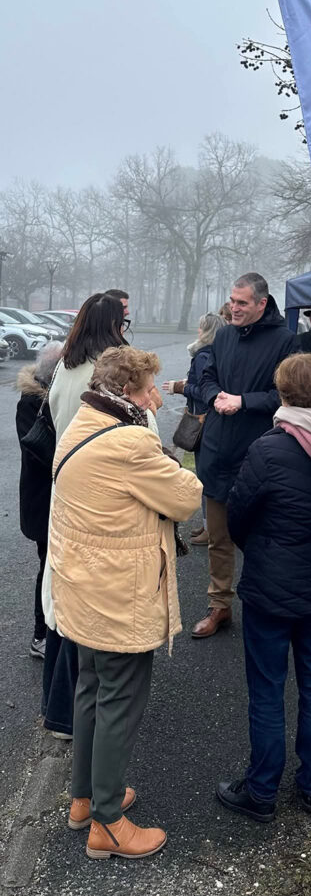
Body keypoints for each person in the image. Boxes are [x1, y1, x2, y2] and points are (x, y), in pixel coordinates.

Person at [50, 346, 202, 858]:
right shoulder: (132, 441)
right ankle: (108, 823)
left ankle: (86, 798)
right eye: (149, 388)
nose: (157, 395)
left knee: (91, 688)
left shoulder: (82, 421)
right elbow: (185, 497)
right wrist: (168, 449)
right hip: (121, 595)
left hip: (85, 588)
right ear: (128, 393)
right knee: (121, 699)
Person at [218, 353, 311, 821]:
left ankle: (261, 793)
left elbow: (237, 516)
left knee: (267, 691)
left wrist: (260, 551)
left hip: (271, 590)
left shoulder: (268, 448)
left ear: (283, 394)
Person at [41, 293, 130, 740]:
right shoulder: (105, 373)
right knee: (83, 607)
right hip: (97, 496)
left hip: (64, 484)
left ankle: (54, 709)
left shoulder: (64, 366)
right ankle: (66, 714)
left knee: (61, 595)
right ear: (111, 325)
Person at [191, 273, 297, 639]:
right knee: (218, 539)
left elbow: (286, 396)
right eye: (232, 301)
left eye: (242, 303)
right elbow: (205, 377)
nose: (233, 308)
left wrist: (244, 401)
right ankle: (219, 605)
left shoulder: (286, 342)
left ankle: (262, 607)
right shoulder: (222, 336)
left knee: (259, 540)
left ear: (261, 304)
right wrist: (215, 395)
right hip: (218, 452)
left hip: (260, 455)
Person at [15, 342, 64, 658]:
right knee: (48, 565)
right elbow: (39, 450)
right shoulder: (32, 403)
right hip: (41, 500)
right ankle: (40, 635)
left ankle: (55, 629)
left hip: (54, 498)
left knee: (56, 565)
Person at [163, 311, 226, 544]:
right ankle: (210, 525)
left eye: (201, 327)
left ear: (206, 330)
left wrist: (181, 388)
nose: (197, 330)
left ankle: (212, 529)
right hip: (213, 421)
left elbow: (204, 391)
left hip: (203, 420)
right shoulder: (220, 353)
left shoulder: (202, 355)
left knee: (205, 474)